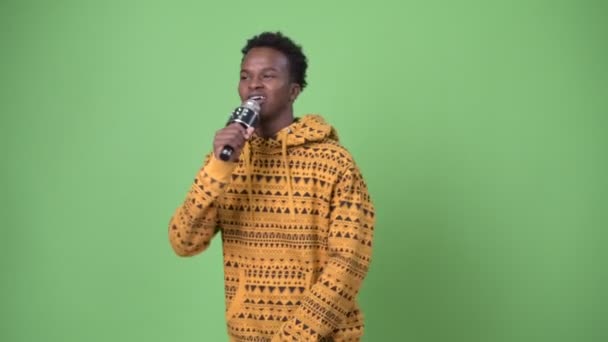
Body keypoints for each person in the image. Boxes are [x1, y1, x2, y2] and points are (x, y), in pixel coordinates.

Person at [168, 31, 375, 342]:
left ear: (293, 91)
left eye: (268, 76)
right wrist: (219, 167)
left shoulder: (334, 163)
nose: (254, 85)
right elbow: (184, 241)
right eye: (245, 76)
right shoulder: (227, 163)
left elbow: (348, 265)